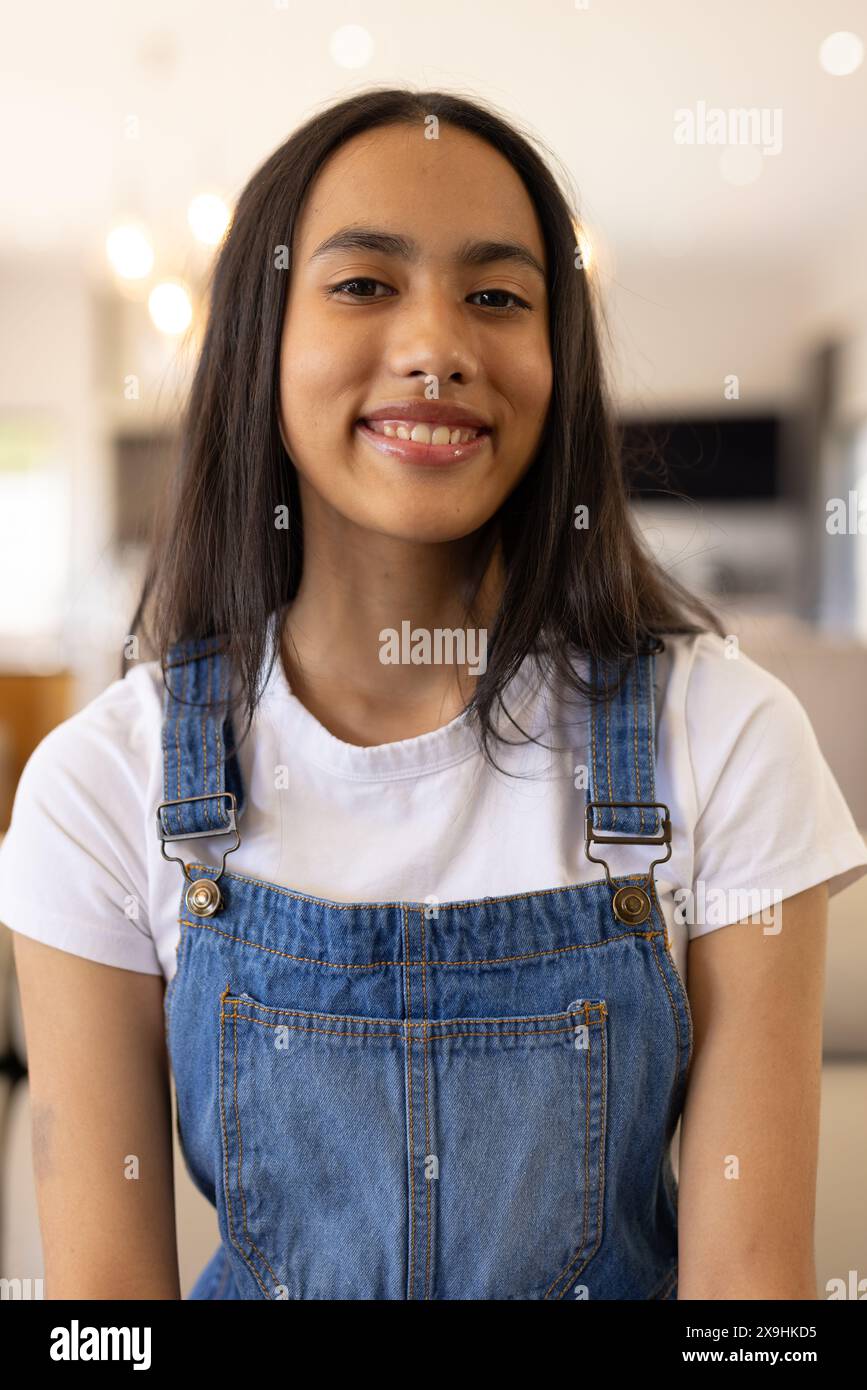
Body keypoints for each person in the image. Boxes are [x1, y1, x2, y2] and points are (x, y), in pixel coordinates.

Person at [2, 88, 865, 1301]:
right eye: (363, 285)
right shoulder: (100, 788)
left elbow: (754, 1303)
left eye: (498, 296)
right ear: (263, 337)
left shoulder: (724, 738)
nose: (437, 346)